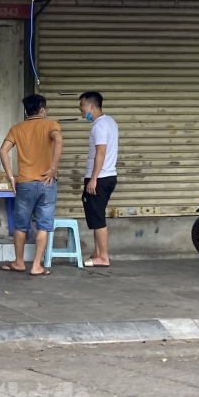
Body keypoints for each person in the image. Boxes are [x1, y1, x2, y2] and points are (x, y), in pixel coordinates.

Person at [0, 94, 63, 276]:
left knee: (21, 225)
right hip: (47, 182)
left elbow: (3, 151)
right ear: (42, 110)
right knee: (43, 225)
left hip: (25, 183)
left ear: (26, 111)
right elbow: (58, 140)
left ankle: (19, 262)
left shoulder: (17, 129)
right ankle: (36, 266)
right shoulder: (51, 125)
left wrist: (11, 178)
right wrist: (52, 168)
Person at [78, 92, 118, 268]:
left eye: (82, 106)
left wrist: (93, 178)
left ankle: (103, 257)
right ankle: (97, 253)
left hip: (100, 178)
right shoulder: (111, 122)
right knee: (97, 216)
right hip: (108, 176)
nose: (80, 110)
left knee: (98, 218)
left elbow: (100, 153)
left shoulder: (99, 126)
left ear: (91, 106)